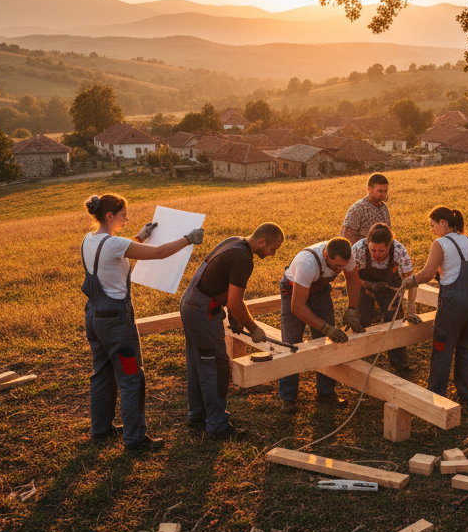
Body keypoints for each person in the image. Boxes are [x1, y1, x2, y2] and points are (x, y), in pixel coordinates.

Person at [81, 193, 203, 452]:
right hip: (116, 324)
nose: (127, 219)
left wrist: (140, 236)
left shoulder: (89, 240)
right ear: (109, 216)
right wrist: (187, 239)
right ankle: (135, 440)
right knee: (131, 377)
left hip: (94, 317)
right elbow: (158, 253)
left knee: (102, 373)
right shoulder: (114, 244)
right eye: (123, 215)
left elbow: (117, 252)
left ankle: (100, 430)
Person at [180, 223, 285, 440]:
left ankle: (198, 416)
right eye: (273, 249)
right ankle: (217, 425)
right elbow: (235, 302)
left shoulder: (234, 241)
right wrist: (253, 328)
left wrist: (233, 314)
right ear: (262, 241)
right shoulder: (243, 259)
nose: (272, 254)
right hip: (202, 309)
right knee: (216, 366)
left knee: (197, 362)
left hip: (190, 303)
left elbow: (222, 288)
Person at [398, 206, 468, 405]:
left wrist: (411, 280)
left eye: (433, 225)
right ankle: (467, 393)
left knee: (442, 347)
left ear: (443, 223)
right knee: (466, 346)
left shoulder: (440, 243)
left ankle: (436, 397)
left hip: (454, 302)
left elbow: (427, 275)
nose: (432, 230)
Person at [278, 237, 365, 413]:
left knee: (327, 343)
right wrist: (325, 327)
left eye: (342, 266)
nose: (339, 270)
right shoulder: (307, 263)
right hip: (293, 292)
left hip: (319, 292)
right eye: (336, 267)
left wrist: (352, 309)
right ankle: (288, 398)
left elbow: (353, 280)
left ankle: (326, 392)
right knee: (291, 345)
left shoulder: (346, 255)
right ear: (325, 254)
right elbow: (297, 307)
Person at [350, 222, 423, 376]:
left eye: (381, 250)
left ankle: (400, 366)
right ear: (367, 244)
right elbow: (351, 278)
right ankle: (355, 359)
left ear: (389, 245)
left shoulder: (398, 250)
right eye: (373, 250)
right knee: (362, 320)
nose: (376, 254)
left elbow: (411, 281)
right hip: (364, 285)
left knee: (394, 322)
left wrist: (411, 310)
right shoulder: (358, 249)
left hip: (390, 285)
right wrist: (368, 285)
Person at [341, 173, 390, 243]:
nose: (383, 195)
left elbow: (388, 234)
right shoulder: (358, 208)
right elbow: (346, 237)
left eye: (385, 191)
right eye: (380, 191)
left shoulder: (384, 208)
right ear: (369, 189)